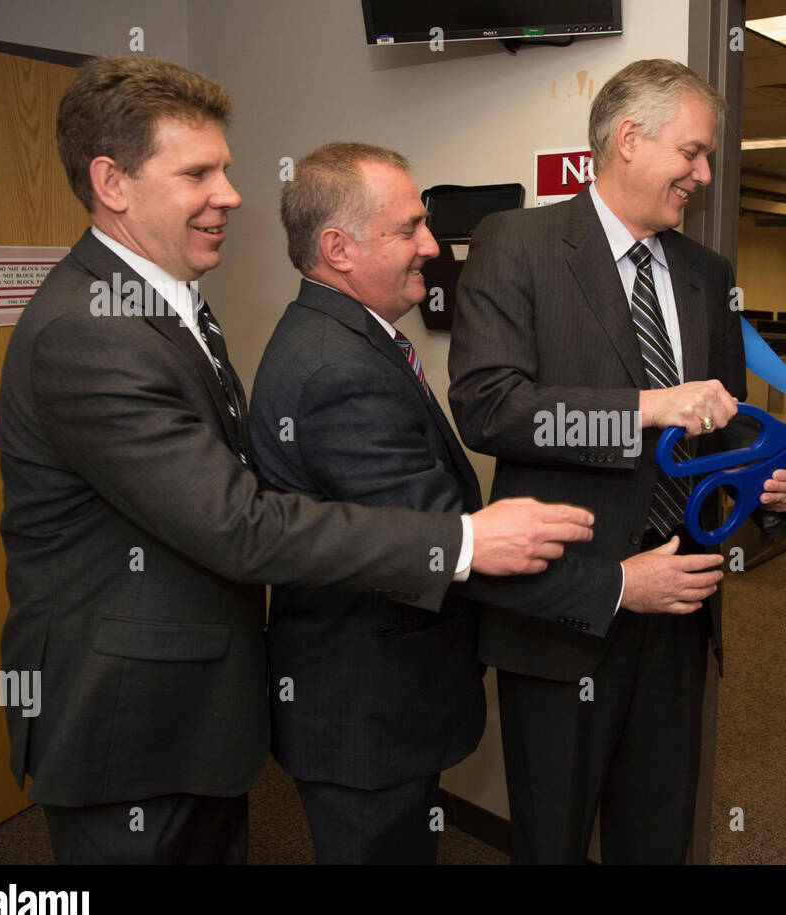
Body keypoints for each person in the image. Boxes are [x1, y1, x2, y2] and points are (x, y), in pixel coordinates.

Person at [0, 57, 595, 865]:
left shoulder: (165, 305)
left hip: (195, 710)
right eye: (198, 173)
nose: (231, 195)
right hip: (131, 722)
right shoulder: (90, 332)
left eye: (225, 169)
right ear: (112, 183)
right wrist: (463, 541)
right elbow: (237, 524)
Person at [248, 143, 724, 864]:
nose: (432, 246)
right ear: (338, 249)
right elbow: (448, 546)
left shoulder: (352, 342)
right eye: (409, 228)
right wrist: (622, 584)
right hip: (365, 711)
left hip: (375, 702)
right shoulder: (335, 370)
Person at [449, 59, 786, 864]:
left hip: (680, 607)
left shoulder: (707, 274)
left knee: (657, 836)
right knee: (552, 837)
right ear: (628, 139)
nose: (704, 174)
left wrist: (768, 482)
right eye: (692, 152)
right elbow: (488, 406)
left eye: (707, 156)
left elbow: (720, 434)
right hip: (565, 607)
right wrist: (646, 406)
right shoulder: (518, 244)